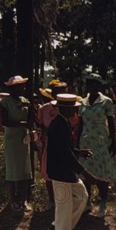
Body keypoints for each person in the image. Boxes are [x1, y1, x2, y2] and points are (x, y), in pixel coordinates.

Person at [46, 94, 99, 230]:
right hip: (60, 172)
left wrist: (78, 151)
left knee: (82, 197)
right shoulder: (59, 125)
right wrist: (85, 173)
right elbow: (65, 154)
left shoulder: (62, 123)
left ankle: (58, 226)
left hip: (64, 172)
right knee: (64, 205)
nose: (76, 110)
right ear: (65, 108)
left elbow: (66, 149)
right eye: (73, 107)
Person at [78, 73, 116, 218]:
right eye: (89, 84)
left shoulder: (106, 102)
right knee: (86, 172)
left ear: (99, 86)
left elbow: (111, 123)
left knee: (101, 173)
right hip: (86, 140)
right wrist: (77, 143)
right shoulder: (83, 102)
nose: (91, 87)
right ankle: (88, 202)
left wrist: (114, 142)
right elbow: (81, 123)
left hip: (101, 141)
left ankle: (103, 203)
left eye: (95, 84)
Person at [0, 76, 34, 212]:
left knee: (25, 169)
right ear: (13, 88)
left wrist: (30, 109)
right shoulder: (5, 102)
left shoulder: (26, 101)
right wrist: (23, 123)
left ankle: (23, 200)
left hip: (23, 138)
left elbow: (31, 120)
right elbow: (5, 122)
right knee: (13, 169)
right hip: (12, 138)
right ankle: (13, 200)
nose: (23, 88)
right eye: (20, 86)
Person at [36, 80, 68, 210]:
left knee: (65, 171)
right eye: (57, 91)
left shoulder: (69, 107)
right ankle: (51, 199)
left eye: (62, 91)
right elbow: (42, 126)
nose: (60, 94)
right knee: (48, 172)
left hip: (65, 143)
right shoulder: (44, 108)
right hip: (49, 143)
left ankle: (65, 199)